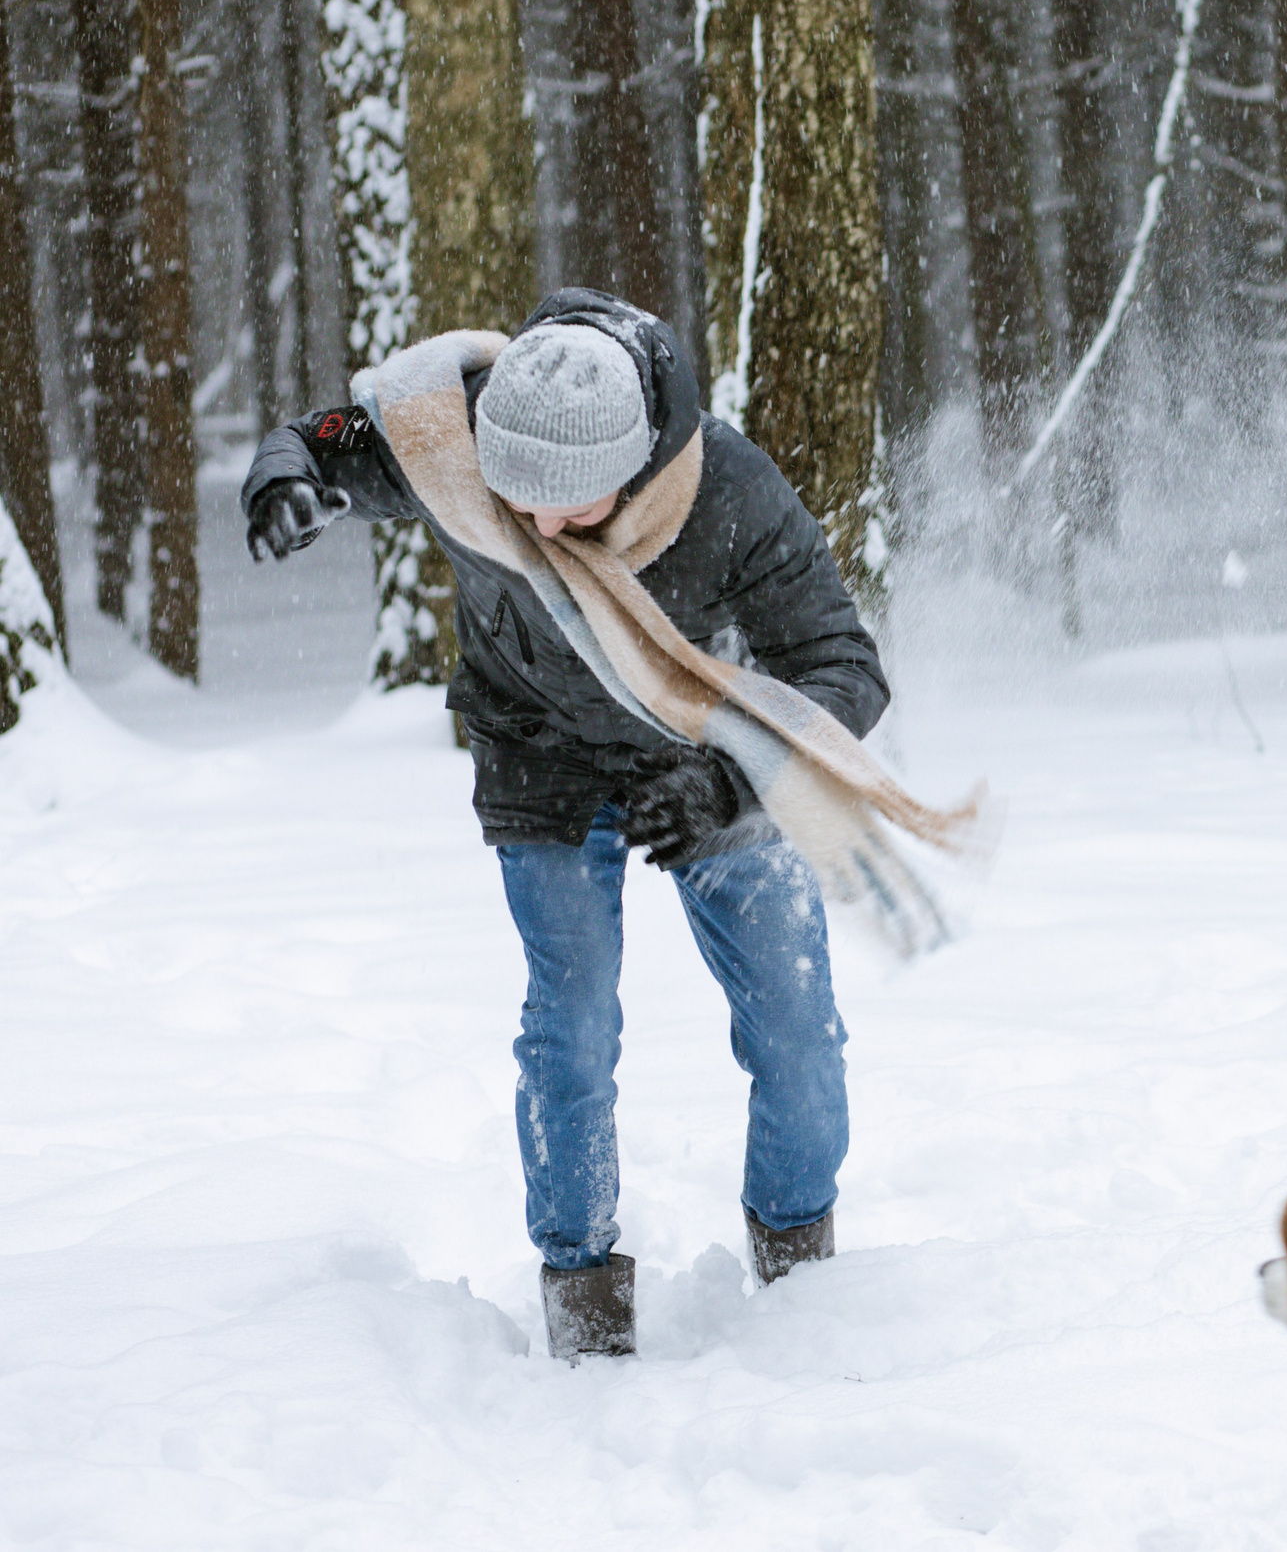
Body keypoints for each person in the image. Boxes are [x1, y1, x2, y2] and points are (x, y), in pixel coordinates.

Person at [244, 289, 888, 1358]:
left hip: (707, 757)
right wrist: (287, 478)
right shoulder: (462, 442)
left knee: (796, 1029)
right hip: (537, 756)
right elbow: (324, 438)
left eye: (570, 507)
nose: (539, 527)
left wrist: (733, 788)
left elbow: (845, 670)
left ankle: (798, 1280)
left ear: (632, 467)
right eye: (519, 500)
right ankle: (585, 1308)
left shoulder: (726, 493)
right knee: (573, 1031)